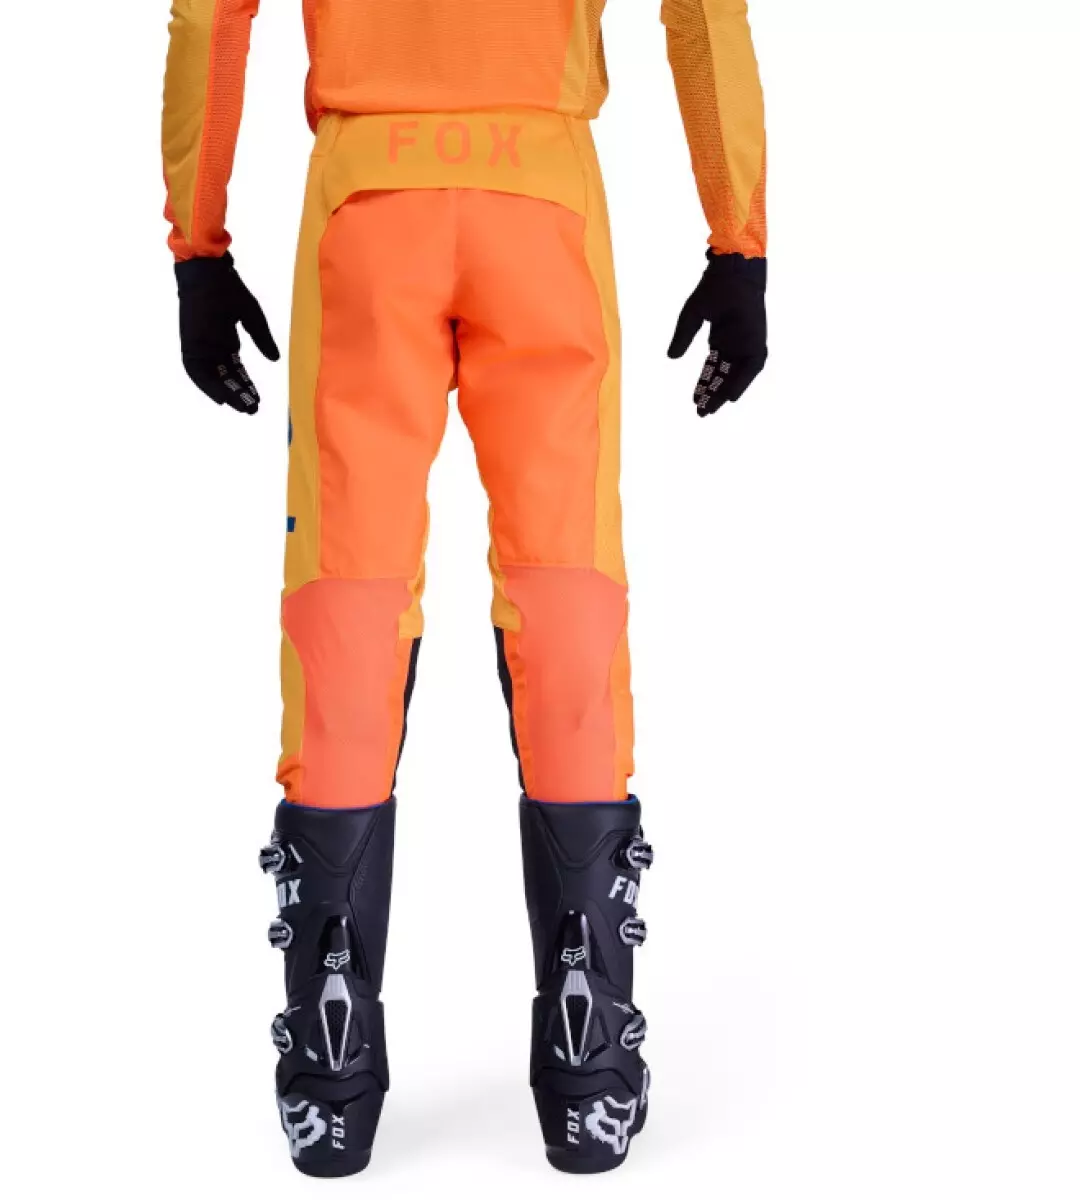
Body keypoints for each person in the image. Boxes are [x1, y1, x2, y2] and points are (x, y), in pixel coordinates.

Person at [162, 0, 767, 1177]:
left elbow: (208, 13)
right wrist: (736, 239)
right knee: (568, 586)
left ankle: (330, 1071)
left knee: (345, 597)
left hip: (365, 202)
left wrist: (199, 244)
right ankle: (589, 1063)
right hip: (541, 200)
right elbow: (704, 10)